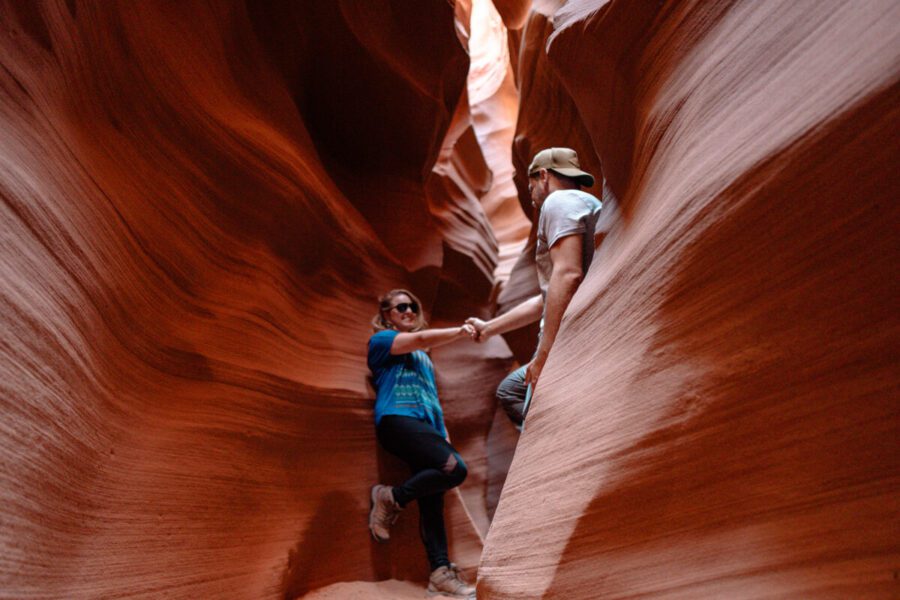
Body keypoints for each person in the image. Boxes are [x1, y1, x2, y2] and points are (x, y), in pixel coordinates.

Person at [468, 147, 602, 427]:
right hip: (581, 325)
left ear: (543, 176)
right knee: (511, 390)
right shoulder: (585, 202)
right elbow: (548, 296)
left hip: (570, 338)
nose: (531, 196)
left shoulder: (558, 203)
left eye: (530, 187)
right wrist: (489, 328)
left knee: (526, 403)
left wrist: (544, 355)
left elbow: (568, 274)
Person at [367, 289, 477, 598]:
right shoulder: (382, 341)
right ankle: (391, 497)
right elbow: (417, 339)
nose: (409, 311)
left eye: (413, 306)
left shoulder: (424, 359)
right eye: (401, 307)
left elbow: (431, 396)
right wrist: (459, 331)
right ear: (387, 314)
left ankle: (439, 573)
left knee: (433, 501)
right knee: (456, 469)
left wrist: (442, 432)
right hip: (396, 420)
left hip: (425, 427)